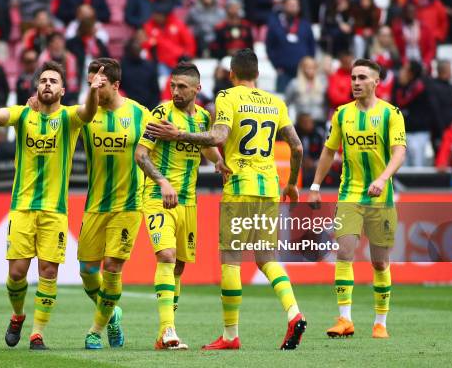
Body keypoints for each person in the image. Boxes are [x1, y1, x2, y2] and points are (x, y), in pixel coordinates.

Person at [145, 49, 306, 351]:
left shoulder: (228, 97)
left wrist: (179, 133)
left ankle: (230, 335)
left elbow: (218, 136)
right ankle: (294, 313)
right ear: (257, 74)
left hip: (240, 185)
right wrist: (293, 184)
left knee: (231, 261)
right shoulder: (276, 102)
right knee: (267, 258)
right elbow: (296, 147)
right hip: (270, 187)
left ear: (232, 74)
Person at [0, 60, 102, 350]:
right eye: (43, 80)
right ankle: (18, 315)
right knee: (17, 272)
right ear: (36, 86)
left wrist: (93, 91)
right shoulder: (22, 115)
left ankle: (37, 333)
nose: (47, 84)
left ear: (63, 90)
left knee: (48, 272)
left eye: (53, 81)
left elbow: (89, 111)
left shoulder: (69, 118)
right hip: (22, 207)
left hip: (55, 211)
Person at [308, 59, 406, 339]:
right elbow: (328, 151)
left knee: (379, 262)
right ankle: (344, 319)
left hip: (381, 198)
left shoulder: (391, 114)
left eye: (362, 77)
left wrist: (382, 178)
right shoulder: (341, 114)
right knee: (344, 252)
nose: (356, 82)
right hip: (349, 194)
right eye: (353, 77)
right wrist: (315, 185)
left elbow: (399, 152)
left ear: (376, 82)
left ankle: (380, 323)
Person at [134, 62, 227, 350]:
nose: (175, 91)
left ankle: (165, 334)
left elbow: (205, 146)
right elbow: (141, 155)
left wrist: (219, 161)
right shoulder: (161, 114)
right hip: (158, 197)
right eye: (173, 85)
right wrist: (163, 182)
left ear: (197, 89)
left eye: (182, 87)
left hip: (189, 201)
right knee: (167, 256)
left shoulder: (201, 117)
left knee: (179, 267)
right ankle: (168, 330)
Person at [71, 58, 156, 350]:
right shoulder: (85, 113)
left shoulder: (140, 114)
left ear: (116, 85)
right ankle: (112, 314)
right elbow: (54, 116)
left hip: (129, 204)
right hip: (95, 204)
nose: (93, 88)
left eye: (100, 84)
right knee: (86, 270)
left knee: (112, 266)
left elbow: (160, 147)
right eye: (90, 83)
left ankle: (95, 330)